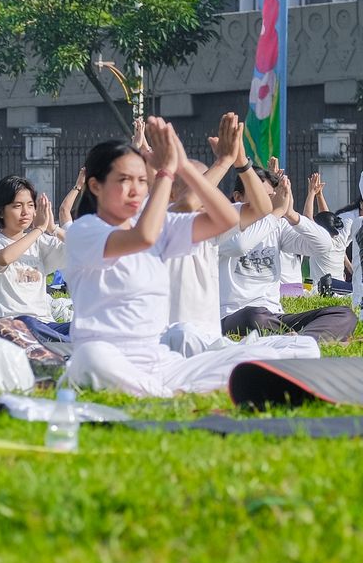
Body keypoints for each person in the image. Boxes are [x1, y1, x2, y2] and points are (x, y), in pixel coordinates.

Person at [62, 119, 317, 398]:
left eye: (141, 181)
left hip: (160, 361)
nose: (135, 189)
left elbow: (227, 218)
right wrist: (167, 173)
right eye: (124, 180)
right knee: (91, 357)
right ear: (96, 187)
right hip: (110, 358)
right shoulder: (84, 231)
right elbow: (144, 236)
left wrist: (186, 164)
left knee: (303, 348)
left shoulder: (162, 224)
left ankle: (170, 389)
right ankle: (171, 391)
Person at [219, 161, 357, 342]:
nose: (265, 203)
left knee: (344, 315)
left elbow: (323, 245)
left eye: (270, 196)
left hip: (274, 315)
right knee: (253, 316)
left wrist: (291, 214)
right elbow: (240, 246)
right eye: (259, 196)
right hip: (234, 315)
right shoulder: (222, 220)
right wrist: (276, 213)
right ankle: (299, 340)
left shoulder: (276, 225)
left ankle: (300, 341)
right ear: (238, 197)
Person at [0, 176, 66, 338]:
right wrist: (38, 229)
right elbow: (3, 258)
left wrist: (53, 229)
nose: (26, 212)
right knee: (27, 322)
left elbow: (83, 249)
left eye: (31, 206)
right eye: (17, 206)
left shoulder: (40, 242)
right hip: (8, 323)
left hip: (44, 323)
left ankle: (63, 344)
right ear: (1, 211)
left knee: (82, 326)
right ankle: (64, 346)